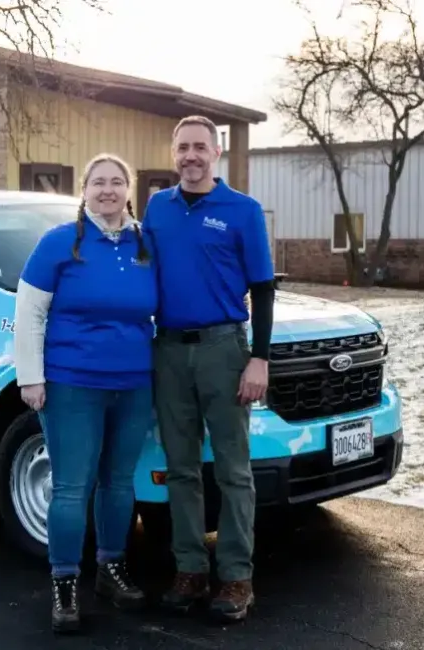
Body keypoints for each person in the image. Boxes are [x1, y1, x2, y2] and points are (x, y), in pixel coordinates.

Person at [13, 153, 159, 634]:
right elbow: (30, 313)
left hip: (134, 383)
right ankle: (65, 582)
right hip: (72, 382)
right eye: (99, 182)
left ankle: (111, 569)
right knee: (73, 487)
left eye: (117, 182)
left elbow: (165, 307)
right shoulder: (59, 243)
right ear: (84, 190)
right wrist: (30, 377)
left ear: (129, 190)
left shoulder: (146, 245)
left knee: (120, 482)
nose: (108, 190)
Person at [141, 115, 275, 623]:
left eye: (200, 147)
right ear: (173, 153)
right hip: (169, 350)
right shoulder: (157, 207)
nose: (191, 156)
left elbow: (262, 289)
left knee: (234, 470)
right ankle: (190, 570)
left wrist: (258, 358)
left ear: (215, 153)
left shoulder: (242, 210)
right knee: (181, 469)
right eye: (182, 148)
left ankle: (237, 577)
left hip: (224, 350)